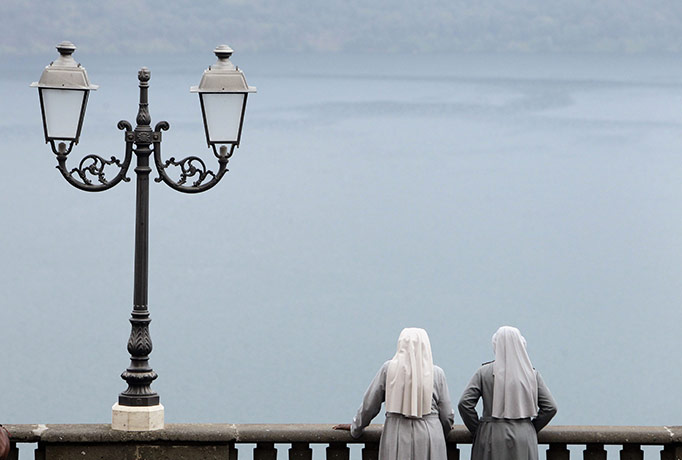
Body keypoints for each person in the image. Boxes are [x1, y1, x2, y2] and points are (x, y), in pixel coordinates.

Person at [333, 327, 454, 460]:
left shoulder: (388, 369)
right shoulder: (437, 373)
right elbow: (447, 414)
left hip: (396, 432)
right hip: (430, 433)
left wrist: (356, 428)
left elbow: (369, 405)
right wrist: (443, 431)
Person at [458, 326, 557, 460]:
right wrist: (531, 427)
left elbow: (464, 404)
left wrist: (479, 429)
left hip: (491, 433)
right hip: (523, 434)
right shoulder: (532, 375)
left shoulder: (483, 372)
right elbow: (550, 407)